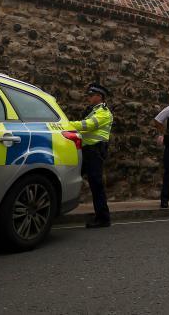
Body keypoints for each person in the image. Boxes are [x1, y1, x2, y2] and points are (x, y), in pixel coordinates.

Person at [70, 82, 113, 228]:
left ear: (99, 97)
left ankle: (103, 218)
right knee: (71, 177)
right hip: (87, 150)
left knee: (96, 184)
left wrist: (67, 124)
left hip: (95, 151)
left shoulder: (103, 112)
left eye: (91, 95)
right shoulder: (92, 110)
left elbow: (88, 125)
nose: (88, 97)